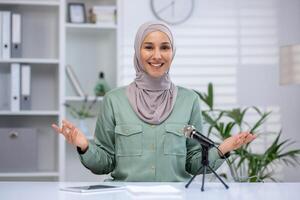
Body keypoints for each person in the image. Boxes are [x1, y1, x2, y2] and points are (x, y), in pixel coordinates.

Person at [52, 21, 256, 182]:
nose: (157, 55)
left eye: (165, 48)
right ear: (137, 52)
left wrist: (222, 149)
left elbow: (193, 164)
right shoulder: (114, 100)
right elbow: (104, 163)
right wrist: (84, 146)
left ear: (172, 53)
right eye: (148, 47)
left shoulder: (189, 100)